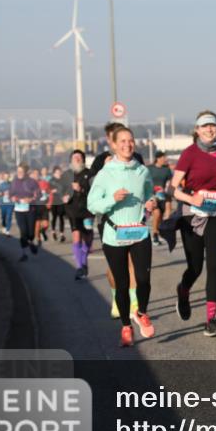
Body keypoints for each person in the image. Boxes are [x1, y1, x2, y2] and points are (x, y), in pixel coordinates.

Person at [171, 110, 216, 337]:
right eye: (205, 126)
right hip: (191, 215)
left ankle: (211, 320)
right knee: (196, 267)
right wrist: (191, 199)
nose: (210, 129)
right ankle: (183, 290)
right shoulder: (189, 154)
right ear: (197, 130)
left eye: (213, 125)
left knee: (214, 265)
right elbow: (173, 188)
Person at [87, 126, 158, 347]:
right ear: (114, 145)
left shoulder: (142, 170)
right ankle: (126, 326)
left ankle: (141, 312)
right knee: (122, 283)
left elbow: (149, 192)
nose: (128, 145)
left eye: (131, 140)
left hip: (138, 231)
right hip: (114, 234)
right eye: (123, 141)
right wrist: (112, 200)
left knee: (144, 279)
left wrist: (151, 202)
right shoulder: (105, 173)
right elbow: (92, 204)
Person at [89, 123, 146, 317]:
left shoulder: (137, 160)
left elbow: (144, 184)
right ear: (110, 141)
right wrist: (106, 169)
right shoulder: (101, 161)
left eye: (129, 139)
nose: (126, 144)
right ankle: (118, 298)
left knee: (133, 264)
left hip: (133, 221)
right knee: (116, 267)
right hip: (109, 220)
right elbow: (92, 188)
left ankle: (134, 304)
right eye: (117, 138)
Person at [63, 151, 95, 280]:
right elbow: (60, 189)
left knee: (87, 238)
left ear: (83, 160)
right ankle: (79, 267)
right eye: (74, 157)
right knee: (76, 237)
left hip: (87, 210)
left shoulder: (90, 173)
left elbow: (95, 190)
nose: (76, 159)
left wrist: (81, 189)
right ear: (71, 160)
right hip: (73, 210)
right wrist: (63, 196)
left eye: (79, 157)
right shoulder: (67, 175)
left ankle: (84, 258)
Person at [9, 164, 41, 261]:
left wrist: (31, 199)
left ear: (26, 172)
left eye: (21, 172)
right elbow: (10, 195)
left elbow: (39, 194)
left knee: (30, 232)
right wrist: (13, 198)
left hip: (30, 209)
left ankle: (30, 242)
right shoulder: (14, 182)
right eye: (18, 171)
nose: (19, 173)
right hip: (19, 210)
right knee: (23, 232)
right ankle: (24, 253)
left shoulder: (32, 182)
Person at [147, 151, 174, 245]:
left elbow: (170, 183)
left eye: (165, 157)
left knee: (160, 218)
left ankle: (157, 233)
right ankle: (154, 235)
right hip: (152, 196)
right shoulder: (149, 168)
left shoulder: (167, 170)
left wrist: (166, 191)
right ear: (158, 158)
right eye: (163, 158)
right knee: (157, 213)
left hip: (162, 196)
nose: (165, 159)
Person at [49, 166, 69, 242]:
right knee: (54, 217)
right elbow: (47, 190)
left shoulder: (63, 181)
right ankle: (53, 231)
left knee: (61, 217)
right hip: (54, 201)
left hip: (61, 201)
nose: (58, 173)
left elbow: (67, 190)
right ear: (54, 173)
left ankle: (61, 234)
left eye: (59, 172)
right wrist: (52, 191)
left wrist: (66, 195)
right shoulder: (51, 181)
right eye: (57, 172)